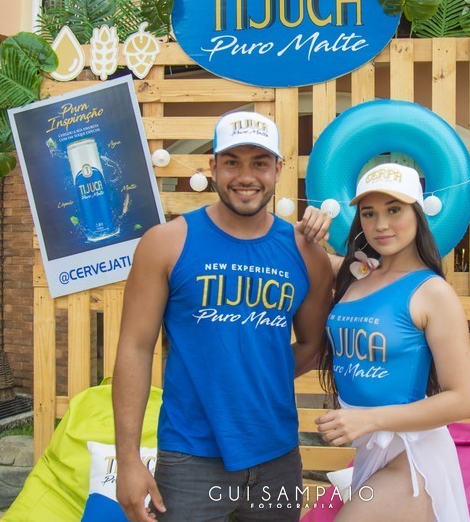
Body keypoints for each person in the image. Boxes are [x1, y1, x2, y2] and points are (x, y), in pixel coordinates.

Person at [113, 111, 334, 521]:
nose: (246, 176)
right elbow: (135, 348)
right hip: (189, 459)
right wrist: (127, 460)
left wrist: (252, 375)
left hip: (277, 459)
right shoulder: (166, 243)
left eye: (259, 163)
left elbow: (312, 343)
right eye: (232, 162)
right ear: (213, 167)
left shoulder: (306, 253)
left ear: (278, 169)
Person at [316, 163, 470, 521]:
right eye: (369, 213)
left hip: (412, 454)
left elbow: (462, 399)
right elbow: (300, 254)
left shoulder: (433, 292)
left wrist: (369, 420)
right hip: (369, 450)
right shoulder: (356, 276)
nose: (381, 225)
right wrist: (306, 228)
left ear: (417, 213)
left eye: (394, 210)